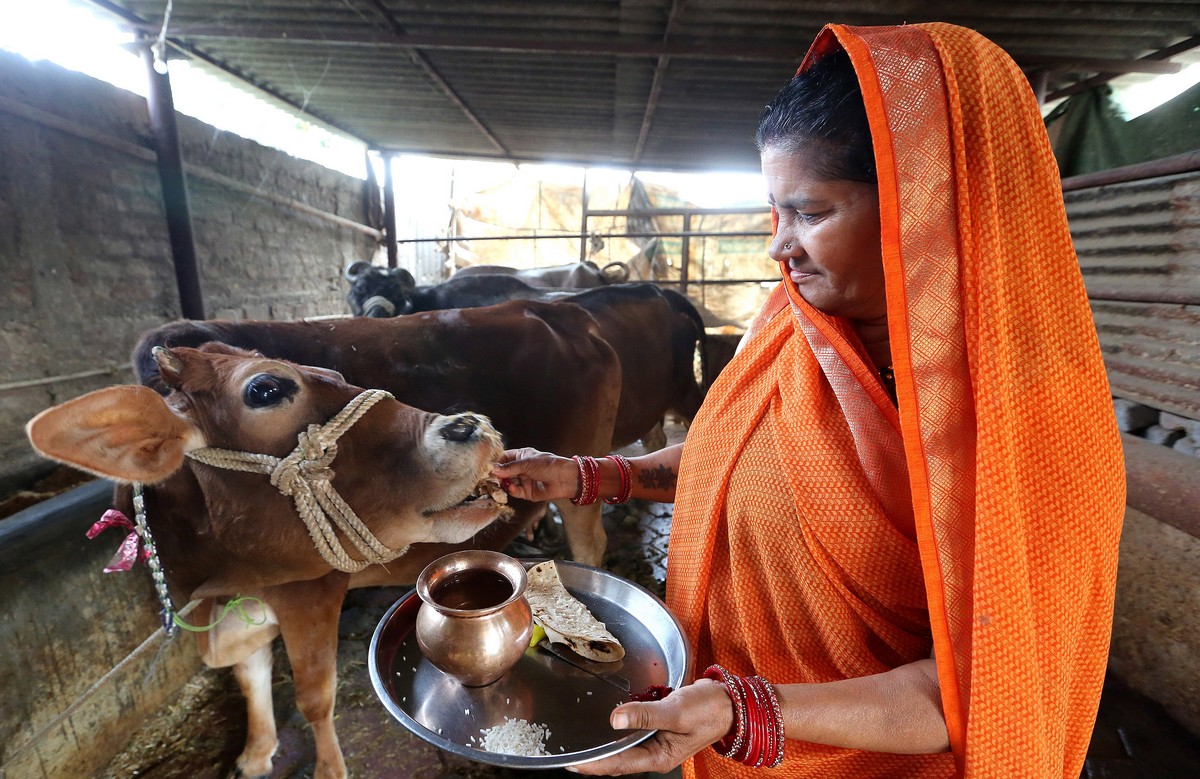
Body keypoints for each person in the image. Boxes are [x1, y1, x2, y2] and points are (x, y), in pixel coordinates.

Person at [495, 22, 1125, 779]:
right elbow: (735, 459)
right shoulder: (794, 335)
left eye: (811, 212)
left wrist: (750, 711)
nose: (777, 246)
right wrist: (592, 476)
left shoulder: (1032, 418)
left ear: (921, 204)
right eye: (776, 211)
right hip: (733, 744)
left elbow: (987, 688)